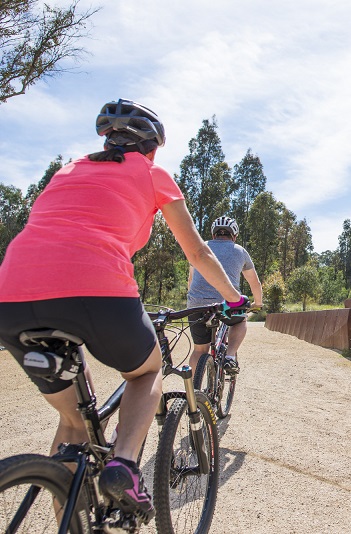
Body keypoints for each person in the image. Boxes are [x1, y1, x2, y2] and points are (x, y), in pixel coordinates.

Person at [0, 99, 245, 523]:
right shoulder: (152, 174)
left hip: (12, 295)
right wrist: (234, 299)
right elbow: (198, 252)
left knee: (75, 423)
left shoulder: (67, 170)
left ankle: (70, 519)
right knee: (146, 372)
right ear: (151, 148)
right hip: (96, 287)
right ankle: (125, 466)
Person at [187, 216, 263, 374]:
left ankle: (193, 393)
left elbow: (191, 279)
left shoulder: (201, 247)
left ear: (214, 234)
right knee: (240, 320)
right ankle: (229, 356)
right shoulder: (240, 251)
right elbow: (254, 283)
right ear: (234, 235)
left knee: (199, 350)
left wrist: (193, 301)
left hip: (196, 304)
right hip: (226, 303)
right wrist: (258, 303)